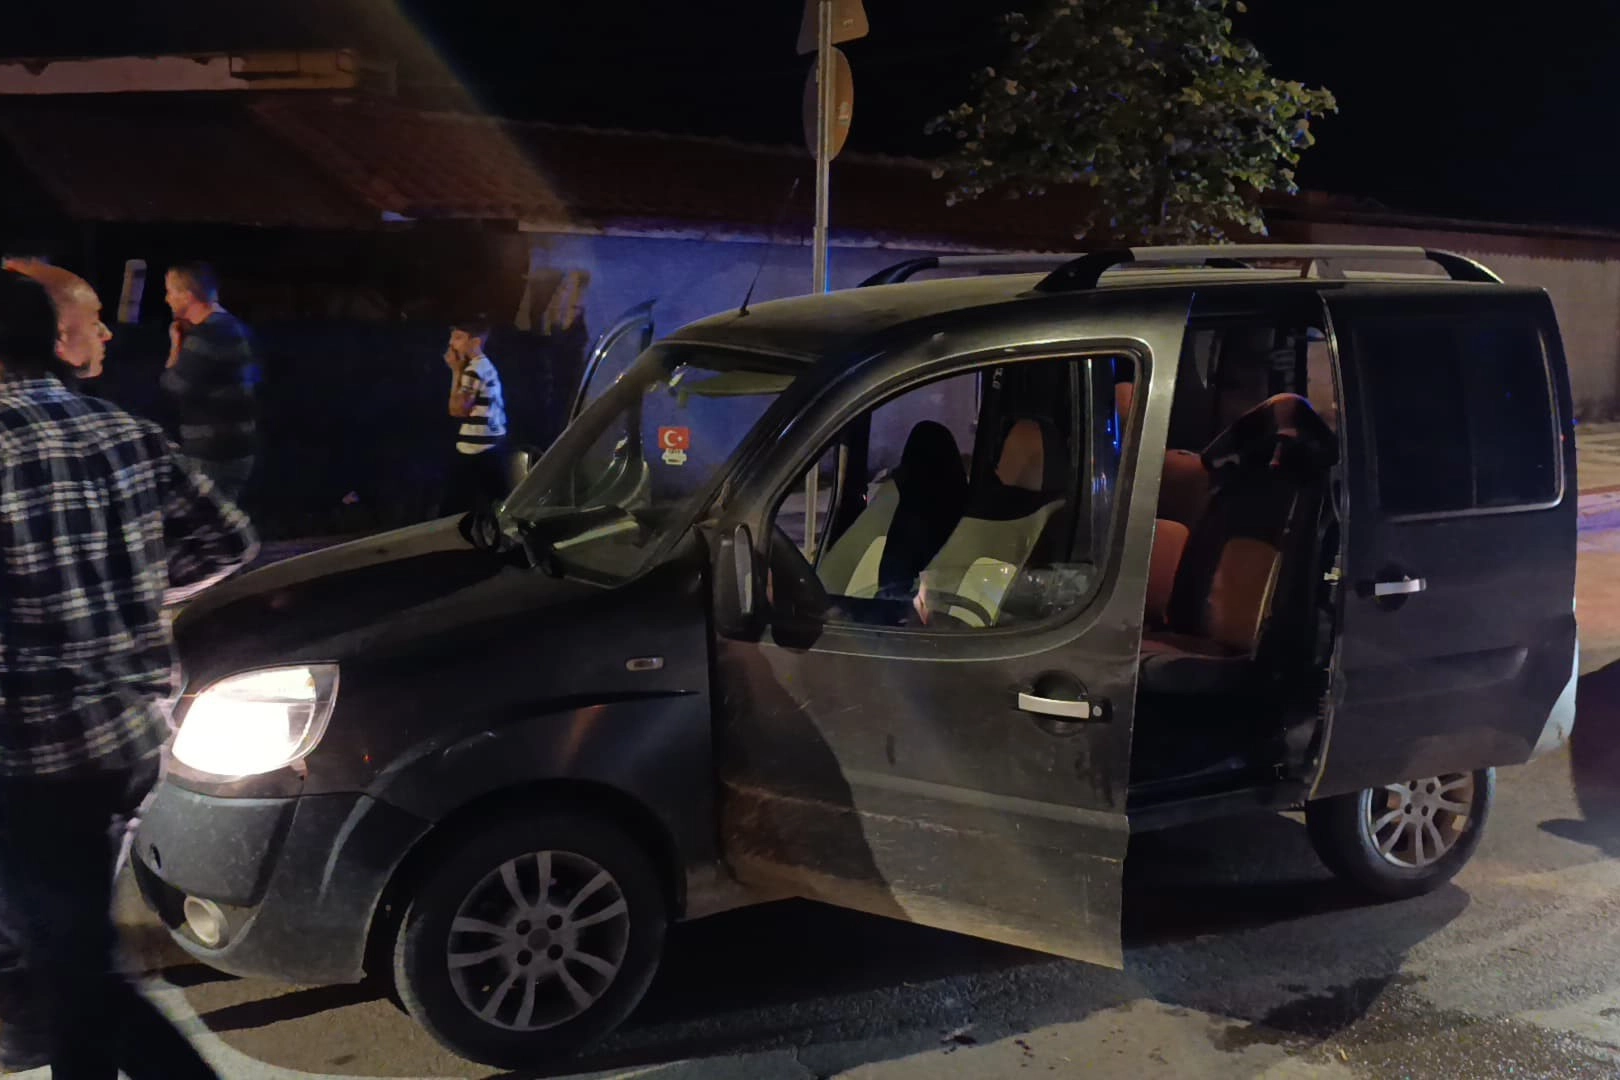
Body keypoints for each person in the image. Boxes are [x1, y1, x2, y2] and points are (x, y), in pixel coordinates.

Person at [0, 264, 257, 1078]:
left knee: (71, 962)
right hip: (131, 739)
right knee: (69, 954)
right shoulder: (123, 431)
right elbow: (230, 542)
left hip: (33, 752)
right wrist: (135, 593)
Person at [161, 262, 259, 502]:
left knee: (202, 519)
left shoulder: (205, 337)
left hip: (212, 453)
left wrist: (175, 346)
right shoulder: (233, 326)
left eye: (171, 292)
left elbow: (172, 385)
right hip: (238, 446)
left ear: (187, 295)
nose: (167, 299)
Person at [440, 315, 510, 515]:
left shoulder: (474, 369)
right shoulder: (482, 366)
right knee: (495, 499)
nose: (451, 344)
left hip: (477, 448)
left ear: (476, 342)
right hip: (489, 444)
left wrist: (455, 371)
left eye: (458, 338)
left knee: (452, 506)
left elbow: (457, 409)